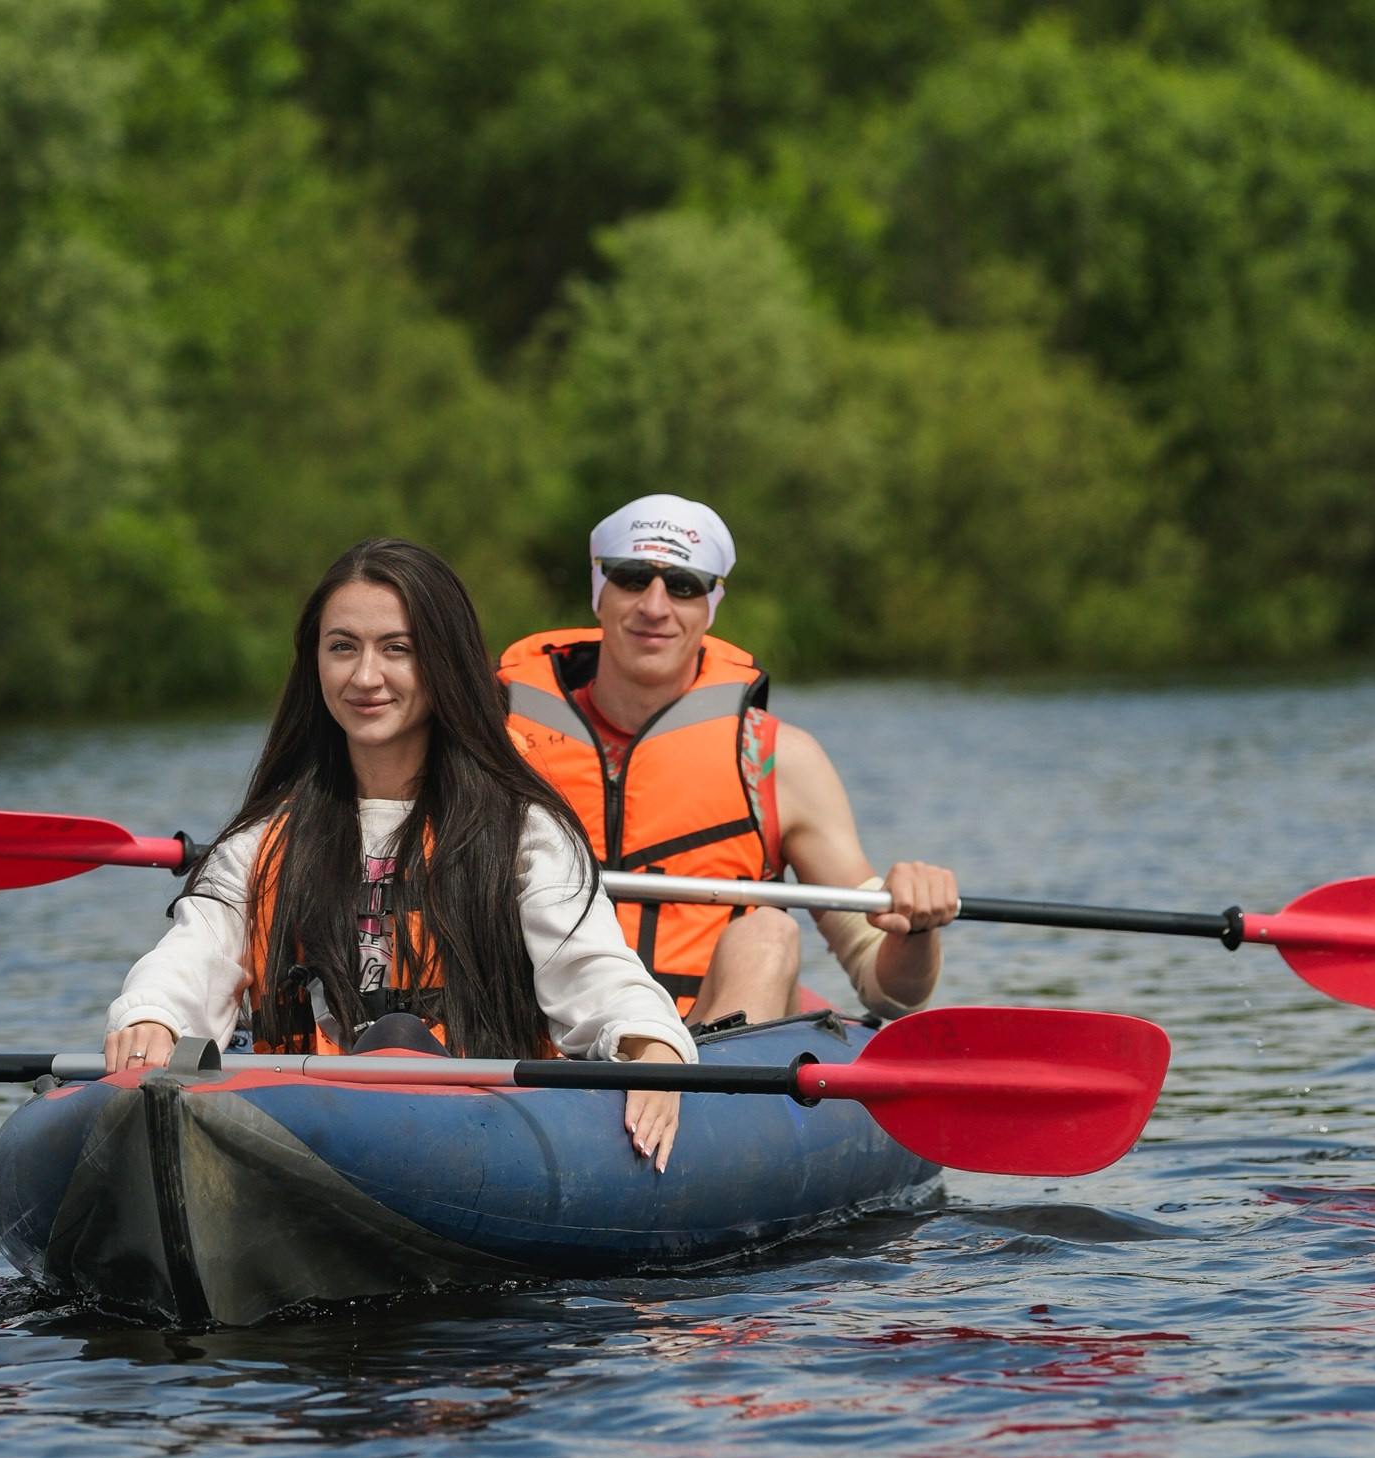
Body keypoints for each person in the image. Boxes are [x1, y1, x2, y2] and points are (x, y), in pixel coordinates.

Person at [103, 537, 699, 1166]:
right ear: (315, 664)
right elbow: (195, 953)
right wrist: (155, 1015)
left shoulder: (526, 832)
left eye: (398, 649)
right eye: (341, 648)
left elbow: (593, 970)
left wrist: (647, 1043)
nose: (365, 677)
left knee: (398, 1038)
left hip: (490, 1135)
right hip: (302, 1126)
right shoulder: (262, 842)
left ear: (445, 664)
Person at [498, 496, 961, 1030]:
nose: (655, 605)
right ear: (599, 591)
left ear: (711, 602)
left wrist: (915, 930)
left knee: (769, 931)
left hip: (703, 1048)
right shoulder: (490, 735)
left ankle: (702, 1095)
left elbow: (890, 995)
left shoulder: (778, 761)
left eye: (684, 586)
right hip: (535, 1039)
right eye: (630, 578)